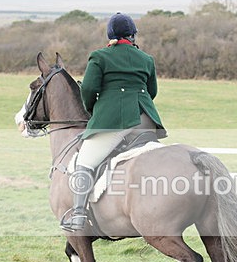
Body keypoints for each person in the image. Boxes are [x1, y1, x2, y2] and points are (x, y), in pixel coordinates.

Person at [61, 12, 167, 232]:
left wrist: (95, 110)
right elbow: (152, 91)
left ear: (110, 35)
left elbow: (88, 90)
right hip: (146, 122)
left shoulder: (99, 57)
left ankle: (79, 214)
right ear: (133, 35)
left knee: (84, 161)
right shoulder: (146, 59)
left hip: (114, 122)